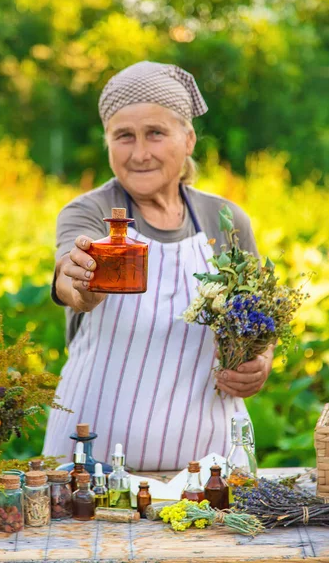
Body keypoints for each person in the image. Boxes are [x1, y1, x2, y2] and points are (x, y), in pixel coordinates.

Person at [43, 61, 274, 471]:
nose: (140, 153)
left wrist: (260, 361)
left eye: (155, 133)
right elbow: (70, 282)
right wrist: (80, 283)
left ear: (188, 139)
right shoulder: (90, 212)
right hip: (90, 463)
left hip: (211, 466)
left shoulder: (224, 219)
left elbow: (259, 320)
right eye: (124, 137)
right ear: (107, 143)